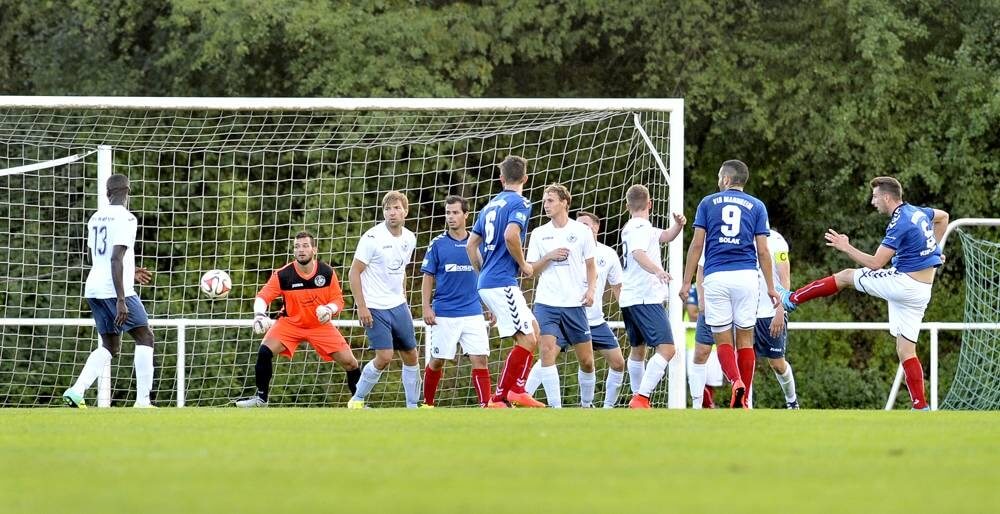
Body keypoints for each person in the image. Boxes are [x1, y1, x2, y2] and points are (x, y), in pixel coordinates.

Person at [781, 176, 948, 410]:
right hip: (922, 290)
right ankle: (920, 406)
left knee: (846, 276)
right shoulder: (917, 212)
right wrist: (934, 250)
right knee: (905, 349)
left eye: (875, 196)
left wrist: (845, 246)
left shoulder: (900, 221)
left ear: (887, 197)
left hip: (905, 284)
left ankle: (791, 298)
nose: (873, 201)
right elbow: (943, 218)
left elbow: (876, 263)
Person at [680, 160, 779, 409]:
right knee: (745, 340)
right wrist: (770, 286)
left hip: (716, 277)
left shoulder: (707, 203)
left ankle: (735, 382)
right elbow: (764, 251)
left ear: (725, 180)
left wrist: (686, 282)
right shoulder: (757, 206)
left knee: (722, 339)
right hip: (747, 277)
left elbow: (696, 245)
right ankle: (743, 401)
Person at [63, 174, 155, 408]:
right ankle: (143, 402)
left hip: (94, 288)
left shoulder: (95, 217)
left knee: (110, 346)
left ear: (107, 193)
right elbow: (115, 258)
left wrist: (130, 272)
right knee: (145, 336)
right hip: (114, 291)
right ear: (128, 191)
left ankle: (76, 390)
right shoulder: (127, 218)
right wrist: (121, 299)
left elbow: (92, 257)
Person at [236, 231, 359, 407]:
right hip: (290, 323)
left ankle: (359, 402)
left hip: (320, 326)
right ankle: (261, 399)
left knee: (350, 362)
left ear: (314, 249)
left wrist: (328, 309)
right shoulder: (283, 274)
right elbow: (263, 297)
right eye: (297, 246)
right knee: (264, 352)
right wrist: (259, 315)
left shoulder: (327, 272)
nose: (301, 250)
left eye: (305, 246)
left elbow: (338, 300)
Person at [525, 211, 628, 408]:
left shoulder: (607, 254)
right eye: (579, 224)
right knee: (547, 355)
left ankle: (605, 408)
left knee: (614, 362)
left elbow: (617, 287)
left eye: (586, 224)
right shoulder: (566, 248)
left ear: (596, 227)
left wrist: (628, 313)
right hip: (566, 315)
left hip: (595, 321)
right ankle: (522, 396)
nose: (581, 228)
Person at [467, 155, 545, 408]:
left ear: (501, 179)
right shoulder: (520, 202)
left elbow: (471, 245)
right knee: (527, 340)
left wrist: (482, 272)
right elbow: (511, 235)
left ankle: (519, 389)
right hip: (501, 281)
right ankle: (500, 397)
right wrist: (523, 264)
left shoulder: (489, 205)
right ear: (525, 178)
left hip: (491, 280)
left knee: (534, 330)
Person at [522, 184, 596, 408]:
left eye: (551, 200)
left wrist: (590, 290)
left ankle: (587, 404)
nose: (546, 205)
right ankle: (556, 408)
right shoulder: (539, 233)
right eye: (545, 201)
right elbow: (531, 269)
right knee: (546, 351)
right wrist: (549, 256)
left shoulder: (581, 231)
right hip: (547, 303)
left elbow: (591, 266)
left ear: (564, 202)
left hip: (574, 304)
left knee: (587, 361)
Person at [347, 191, 420, 408]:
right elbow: (354, 272)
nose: (392, 213)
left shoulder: (409, 238)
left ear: (405, 211)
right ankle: (357, 399)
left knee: (411, 354)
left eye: (397, 208)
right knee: (385, 356)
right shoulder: (372, 238)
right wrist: (362, 307)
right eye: (388, 209)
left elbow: (402, 271)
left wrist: (404, 298)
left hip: (398, 306)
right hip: (375, 307)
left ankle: (412, 406)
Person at [421, 195, 494, 408]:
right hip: (445, 313)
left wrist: (490, 305)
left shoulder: (478, 244)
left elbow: (485, 276)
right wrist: (426, 306)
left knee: (480, 359)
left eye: (455, 212)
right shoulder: (438, 244)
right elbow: (428, 276)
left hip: (473, 312)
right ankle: (428, 403)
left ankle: (485, 404)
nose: (451, 217)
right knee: (437, 361)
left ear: (466, 215)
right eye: (448, 213)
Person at [621, 184, 686, 409]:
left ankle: (637, 397)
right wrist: (657, 270)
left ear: (628, 205)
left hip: (630, 298)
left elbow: (666, 236)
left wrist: (678, 225)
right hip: (644, 297)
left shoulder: (634, 226)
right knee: (667, 349)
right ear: (650, 204)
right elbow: (638, 253)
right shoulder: (641, 227)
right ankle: (641, 397)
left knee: (638, 350)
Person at [749, 227, 798, 409]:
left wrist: (780, 310)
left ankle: (792, 401)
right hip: (746, 312)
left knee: (777, 364)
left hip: (770, 312)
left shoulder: (777, 241)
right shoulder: (742, 238)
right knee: (745, 361)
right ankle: (746, 406)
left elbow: (785, 279)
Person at [685, 281, 722, 409]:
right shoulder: (695, 288)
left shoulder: (720, 285)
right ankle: (708, 405)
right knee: (696, 377)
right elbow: (692, 314)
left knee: (710, 380)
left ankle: (708, 408)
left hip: (715, 342)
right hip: (694, 342)